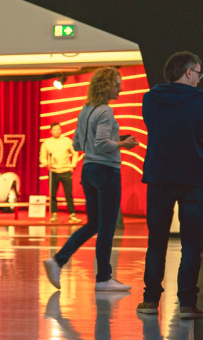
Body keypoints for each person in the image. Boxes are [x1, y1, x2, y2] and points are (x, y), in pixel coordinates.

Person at [137, 52, 203, 319]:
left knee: (156, 241)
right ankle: (186, 303)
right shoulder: (200, 100)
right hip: (194, 177)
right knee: (191, 243)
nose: (199, 78)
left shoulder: (150, 98)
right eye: (198, 73)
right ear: (187, 72)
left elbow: (153, 127)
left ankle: (150, 301)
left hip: (159, 175)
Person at [43, 68, 138, 292]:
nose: (120, 88)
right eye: (117, 84)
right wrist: (123, 144)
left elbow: (77, 144)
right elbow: (103, 143)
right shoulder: (105, 111)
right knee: (106, 226)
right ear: (106, 86)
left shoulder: (85, 110)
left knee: (94, 223)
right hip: (106, 171)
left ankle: (58, 260)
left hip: (89, 171)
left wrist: (104, 143)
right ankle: (103, 278)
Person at [40, 122, 81, 222]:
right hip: (53, 171)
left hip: (66, 170)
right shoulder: (47, 143)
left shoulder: (67, 141)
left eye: (58, 129)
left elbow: (75, 153)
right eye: (54, 129)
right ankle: (54, 214)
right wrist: (46, 164)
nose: (57, 131)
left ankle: (72, 214)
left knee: (68, 194)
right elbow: (42, 157)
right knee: (53, 194)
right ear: (51, 131)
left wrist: (73, 165)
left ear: (61, 130)